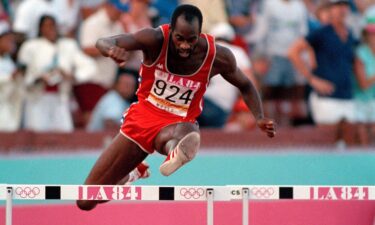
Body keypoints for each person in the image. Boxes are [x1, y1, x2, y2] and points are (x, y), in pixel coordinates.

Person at [76, 4, 276, 211]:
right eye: (179, 38)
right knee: (86, 201)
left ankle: (176, 151)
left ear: (200, 34)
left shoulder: (218, 56)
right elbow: (104, 41)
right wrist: (110, 49)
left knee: (185, 134)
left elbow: (245, 84)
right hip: (141, 119)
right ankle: (133, 172)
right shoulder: (153, 39)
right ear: (170, 30)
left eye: (191, 39)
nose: (185, 46)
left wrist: (259, 117)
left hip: (178, 122)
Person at [288, 0, 357, 144]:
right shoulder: (321, 32)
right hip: (327, 97)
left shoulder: (350, 34)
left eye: (345, 6)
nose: (342, 10)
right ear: (331, 9)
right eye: (338, 6)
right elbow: (293, 52)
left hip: (347, 96)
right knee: (326, 140)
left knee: (349, 140)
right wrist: (312, 79)